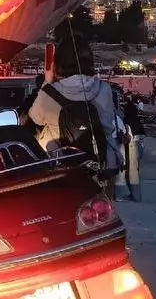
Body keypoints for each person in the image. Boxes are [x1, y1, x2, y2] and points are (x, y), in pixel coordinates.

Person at [28, 33, 124, 191]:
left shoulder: (49, 92)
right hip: (100, 165)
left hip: (60, 168)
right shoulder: (104, 89)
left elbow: (35, 118)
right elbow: (108, 124)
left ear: (57, 63)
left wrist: (47, 81)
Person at [116, 89, 147, 201]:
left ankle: (135, 197)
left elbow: (126, 137)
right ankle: (135, 196)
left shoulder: (127, 121)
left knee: (132, 173)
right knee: (135, 172)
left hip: (132, 146)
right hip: (139, 145)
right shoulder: (137, 121)